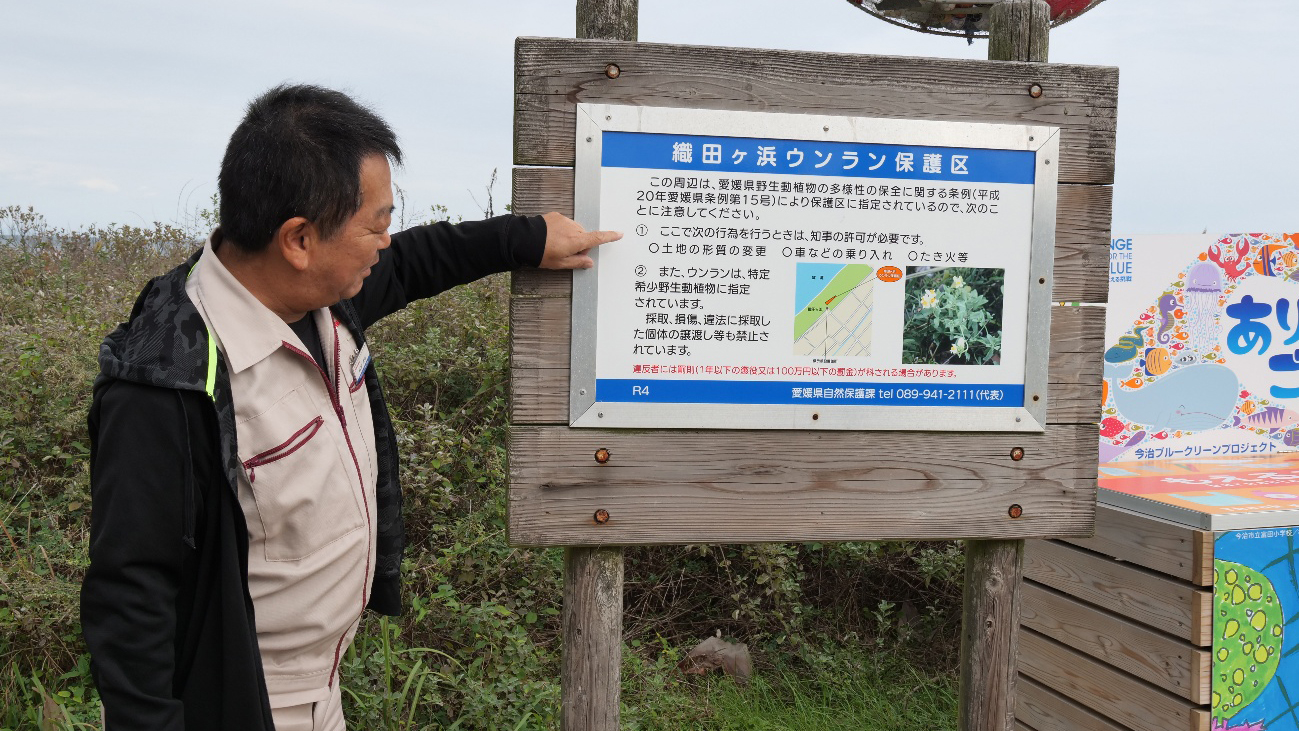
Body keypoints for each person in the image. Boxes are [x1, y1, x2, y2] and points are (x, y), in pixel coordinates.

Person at [80, 83, 619, 731]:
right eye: (375, 225)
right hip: (242, 699)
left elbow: (423, 259)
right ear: (299, 239)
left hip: (323, 691)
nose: (384, 243)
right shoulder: (168, 378)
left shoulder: (321, 302)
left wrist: (528, 237)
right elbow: (132, 591)